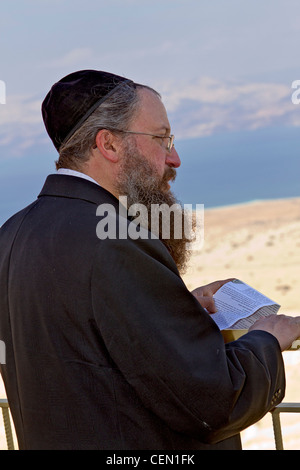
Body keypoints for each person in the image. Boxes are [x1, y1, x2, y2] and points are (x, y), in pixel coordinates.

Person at [0, 70, 299, 451]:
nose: (174, 158)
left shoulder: (12, 233)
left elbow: (84, 346)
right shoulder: (116, 241)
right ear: (108, 144)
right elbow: (214, 402)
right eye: (161, 139)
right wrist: (267, 339)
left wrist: (175, 309)